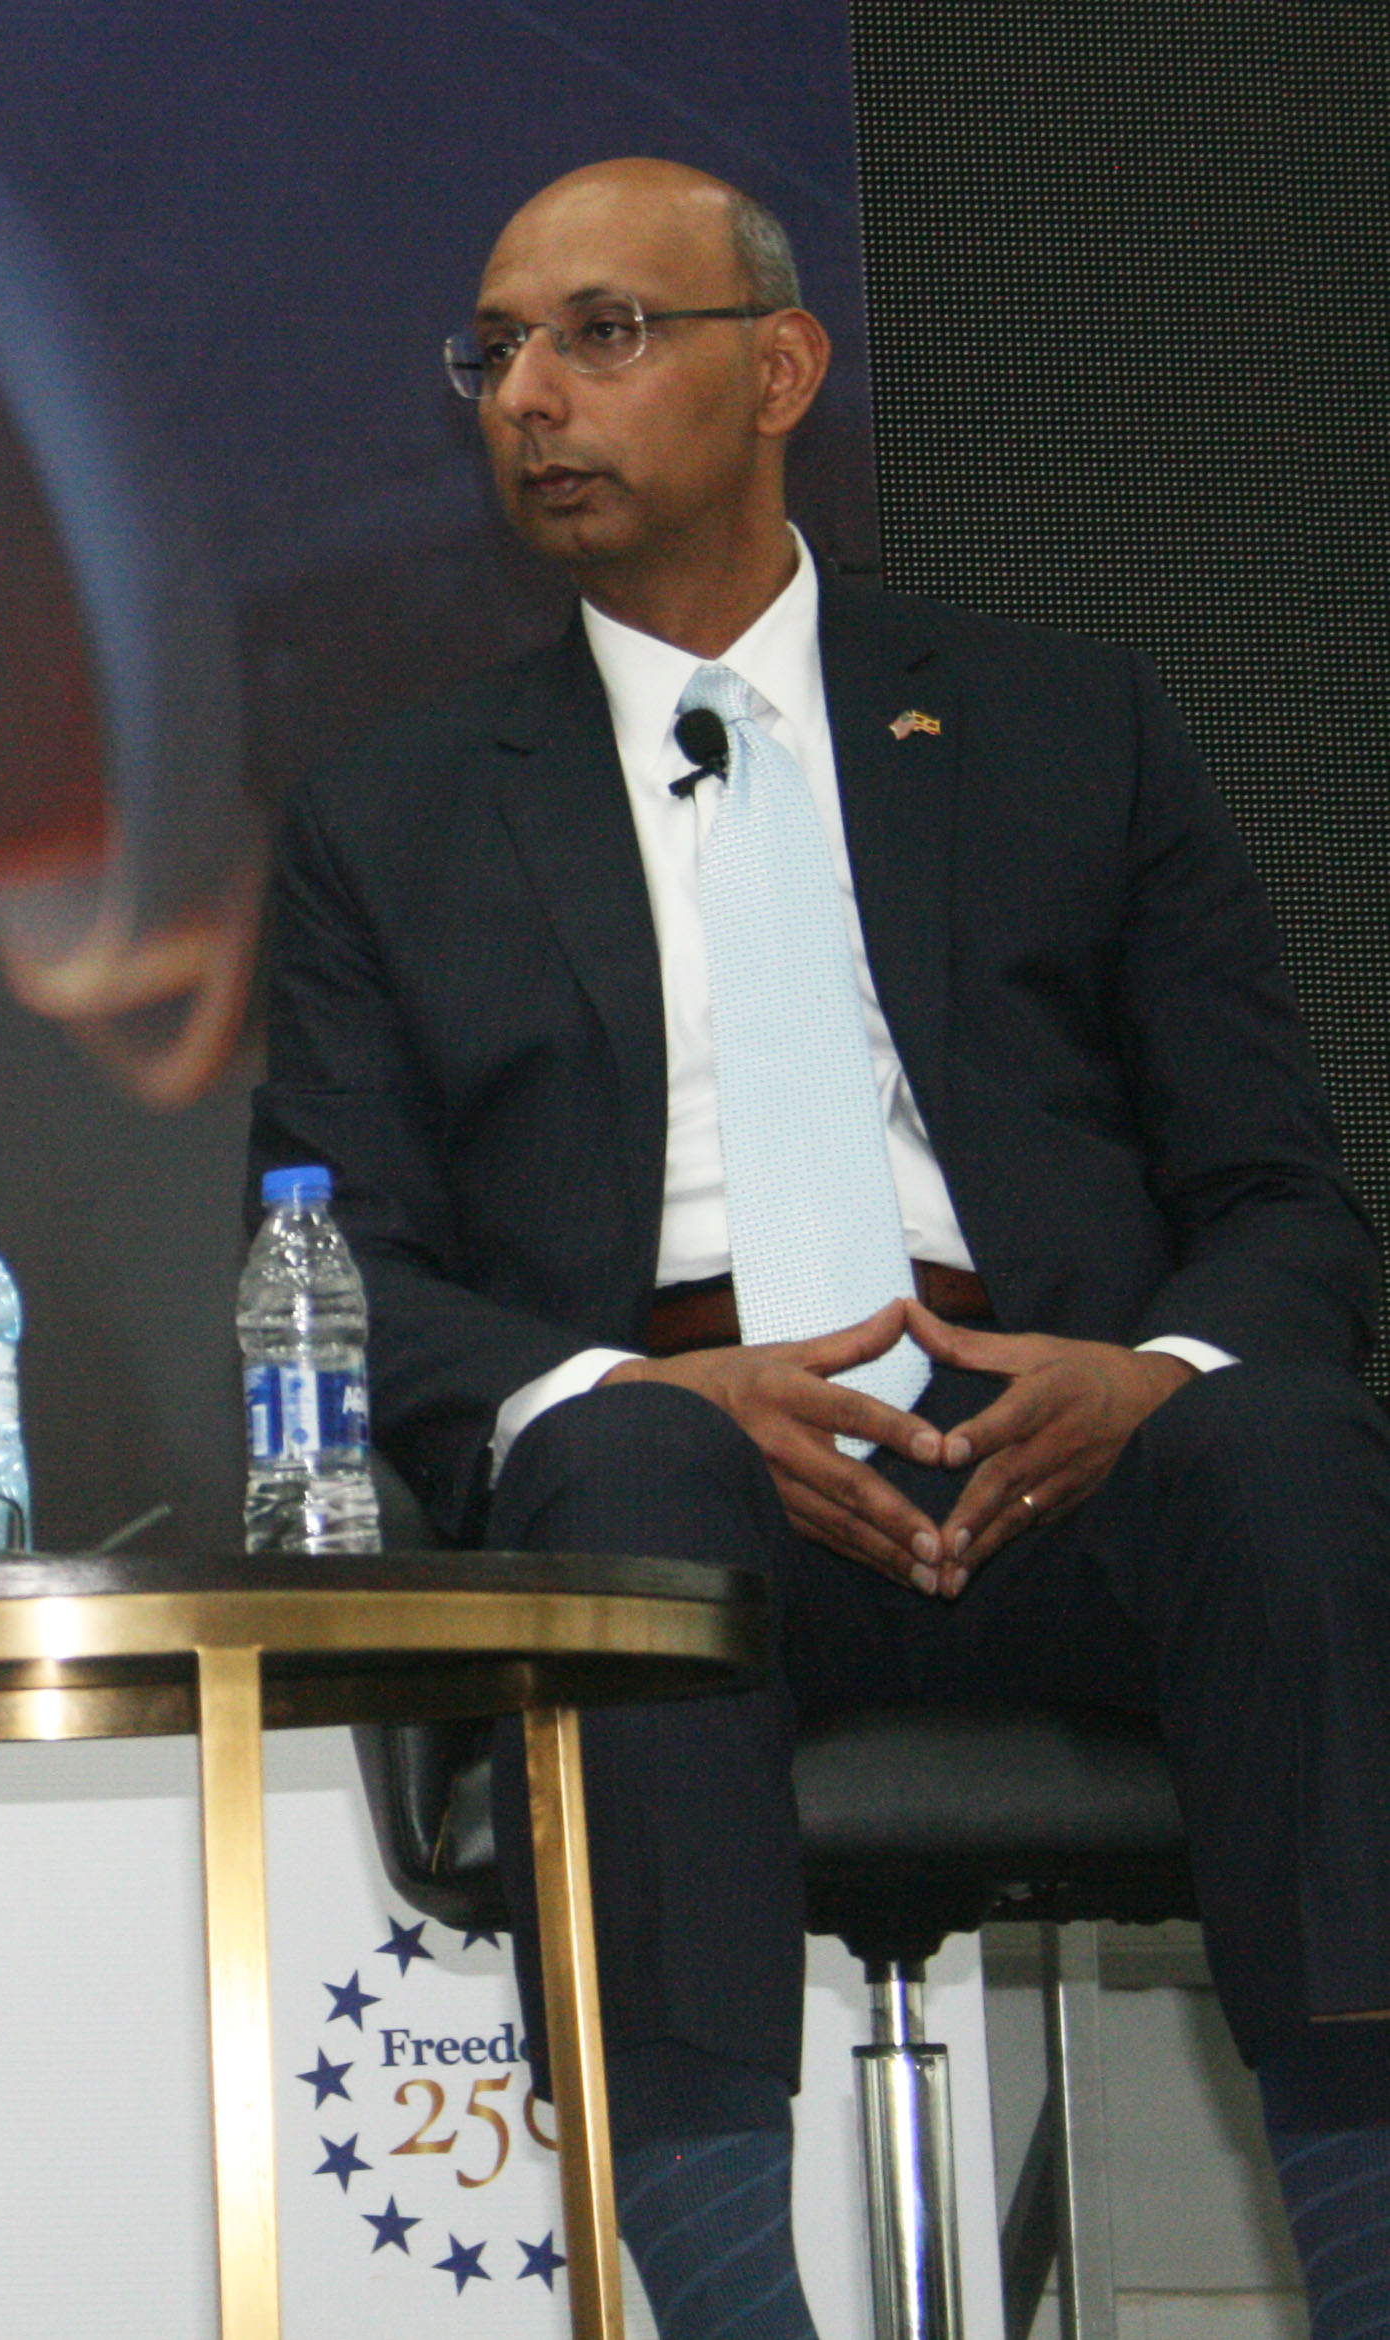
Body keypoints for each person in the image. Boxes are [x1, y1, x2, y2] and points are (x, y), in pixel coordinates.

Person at [253, 160, 1390, 2340]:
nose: (530, 399)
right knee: (618, 1477)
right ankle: (728, 2306)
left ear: (779, 368)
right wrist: (627, 1391)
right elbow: (340, 1264)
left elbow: (1280, 1201)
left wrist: (1151, 1375)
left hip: (1056, 1452)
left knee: (1291, 1452)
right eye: (494, 353)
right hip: (691, 1494)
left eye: (602, 334)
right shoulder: (389, 815)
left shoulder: (1072, 726)